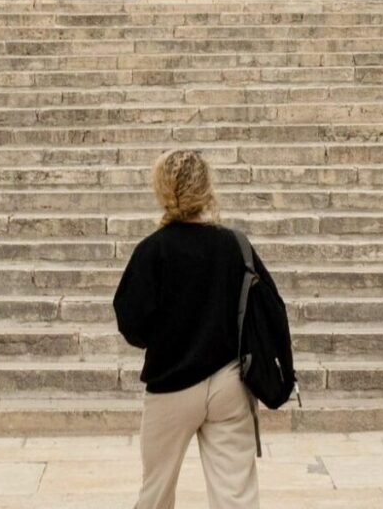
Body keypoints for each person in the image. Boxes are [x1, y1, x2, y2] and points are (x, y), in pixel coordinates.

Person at [113, 149, 270, 509]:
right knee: (236, 496)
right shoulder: (235, 246)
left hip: (170, 384)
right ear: (206, 188)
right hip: (229, 382)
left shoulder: (152, 251)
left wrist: (167, 335)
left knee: (155, 493)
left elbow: (131, 323)